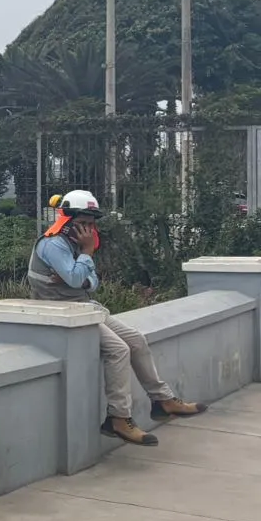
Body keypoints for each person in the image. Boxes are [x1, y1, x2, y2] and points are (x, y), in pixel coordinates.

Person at [30, 189, 205, 446]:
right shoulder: (54, 244)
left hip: (81, 306)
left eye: (91, 224)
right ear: (67, 220)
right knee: (119, 350)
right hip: (59, 310)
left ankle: (163, 400)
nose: (88, 230)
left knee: (135, 340)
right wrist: (86, 256)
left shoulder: (73, 245)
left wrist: (80, 274)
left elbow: (91, 283)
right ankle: (118, 418)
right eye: (82, 223)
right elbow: (78, 279)